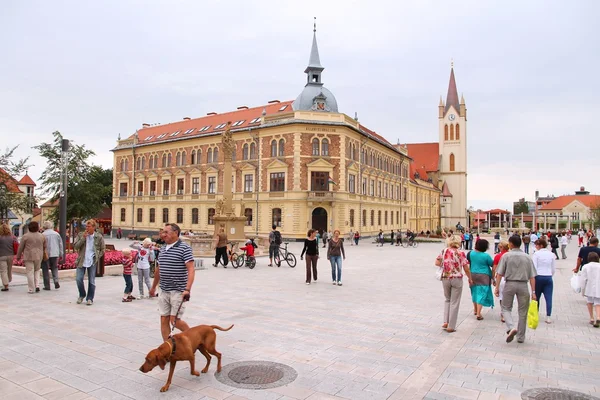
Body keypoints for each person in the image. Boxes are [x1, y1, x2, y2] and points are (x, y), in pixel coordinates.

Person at [149, 223, 195, 341]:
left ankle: (195, 339)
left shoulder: (184, 248)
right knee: (164, 319)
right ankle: (168, 347)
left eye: (166, 232)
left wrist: (187, 289)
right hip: (163, 290)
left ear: (175, 233)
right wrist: (153, 287)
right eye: (162, 232)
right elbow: (159, 269)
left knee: (175, 321)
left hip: (178, 291)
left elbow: (191, 269)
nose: (163, 235)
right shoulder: (163, 248)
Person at [495, 235, 537, 344]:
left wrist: (497, 287)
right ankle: (521, 337)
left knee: (505, 307)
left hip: (510, 284)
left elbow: (499, 273)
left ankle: (511, 326)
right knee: (523, 311)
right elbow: (532, 276)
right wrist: (533, 292)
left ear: (511, 244)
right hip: (523, 285)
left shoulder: (506, 256)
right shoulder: (527, 257)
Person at [436, 235, 472, 333]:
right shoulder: (461, 253)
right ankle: (451, 326)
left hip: (445, 277)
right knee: (454, 302)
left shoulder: (444, 251)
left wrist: (447, 264)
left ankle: (445, 321)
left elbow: (437, 263)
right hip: (457, 278)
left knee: (447, 299)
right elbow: (466, 268)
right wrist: (470, 278)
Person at [74, 219, 105, 305]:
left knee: (91, 281)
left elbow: (103, 249)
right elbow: (76, 246)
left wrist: (97, 256)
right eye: (86, 226)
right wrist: (83, 238)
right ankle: (82, 294)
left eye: (89, 226)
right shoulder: (81, 235)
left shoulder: (98, 237)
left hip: (92, 261)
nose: (87, 228)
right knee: (78, 279)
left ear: (94, 227)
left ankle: (90, 298)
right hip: (81, 260)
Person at [16, 221, 47, 294]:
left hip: (28, 255)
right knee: (37, 270)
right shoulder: (42, 236)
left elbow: (21, 247)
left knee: (30, 272)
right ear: (37, 227)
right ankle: (37, 286)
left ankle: (31, 288)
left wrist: (18, 256)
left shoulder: (25, 236)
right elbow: (45, 246)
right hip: (39, 255)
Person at [469, 239, 495, 320]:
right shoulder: (486, 256)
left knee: (474, 291)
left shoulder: (471, 253)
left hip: (473, 274)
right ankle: (479, 314)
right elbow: (492, 264)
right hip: (484, 275)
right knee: (482, 292)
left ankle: (475, 310)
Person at [531, 238, 555, 324]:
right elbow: (553, 268)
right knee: (549, 297)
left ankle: (535, 314)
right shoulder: (551, 254)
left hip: (538, 276)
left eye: (537, 245)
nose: (536, 246)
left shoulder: (536, 254)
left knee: (536, 296)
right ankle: (548, 316)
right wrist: (550, 274)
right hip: (548, 276)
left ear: (541, 245)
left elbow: (534, 267)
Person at [41, 221, 63, 290]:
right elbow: (60, 244)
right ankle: (56, 281)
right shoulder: (56, 234)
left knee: (45, 270)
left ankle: (47, 285)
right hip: (55, 253)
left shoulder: (43, 234)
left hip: (46, 254)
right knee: (54, 268)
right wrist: (61, 253)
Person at [580, 252, 600, 327]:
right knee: (598, 303)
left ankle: (591, 318)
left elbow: (583, 279)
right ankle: (598, 317)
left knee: (589, 302)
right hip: (598, 287)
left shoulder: (586, 266)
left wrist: (582, 289)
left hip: (589, 286)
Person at [493, 240, 509, 322]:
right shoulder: (511, 255)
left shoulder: (498, 256)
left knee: (501, 297)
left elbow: (495, 269)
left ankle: (503, 313)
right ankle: (507, 312)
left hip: (501, 278)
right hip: (510, 278)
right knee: (509, 297)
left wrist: (493, 278)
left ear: (501, 247)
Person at [0, 223, 16, 291]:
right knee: (9, 269)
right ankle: (8, 280)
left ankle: (5, 285)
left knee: (3, 271)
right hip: (10, 255)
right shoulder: (13, 237)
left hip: (1, 256)